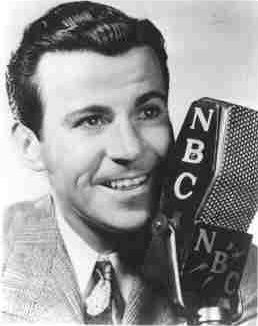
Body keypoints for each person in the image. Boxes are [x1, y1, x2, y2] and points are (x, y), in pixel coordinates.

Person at [1, 1, 256, 325]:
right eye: (92, 120)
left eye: (149, 112)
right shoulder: (6, 259)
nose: (131, 148)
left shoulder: (240, 281)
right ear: (30, 147)